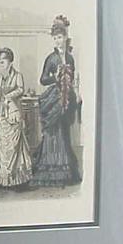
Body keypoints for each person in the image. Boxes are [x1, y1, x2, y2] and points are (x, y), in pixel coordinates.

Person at [29, 15, 82, 187]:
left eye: (60, 37)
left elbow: (72, 79)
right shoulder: (51, 58)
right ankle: (50, 168)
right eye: (55, 38)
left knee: (64, 132)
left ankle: (65, 172)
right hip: (54, 99)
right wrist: (55, 77)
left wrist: (76, 93)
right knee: (53, 133)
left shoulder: (70, 58)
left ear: (65, 37)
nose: (58, 40)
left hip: (67, 98)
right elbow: (43, 80)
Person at [0, 48, 32, 187]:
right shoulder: (0, 77)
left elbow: (21, 89)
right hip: (3, 112)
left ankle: (17, 178)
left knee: (14, 145)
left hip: (14, 111)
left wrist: (8, 97)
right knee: (3, 145)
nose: (0, 65)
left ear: (10, 63)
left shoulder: (18, 75)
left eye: (3, 62)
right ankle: (6, 177)